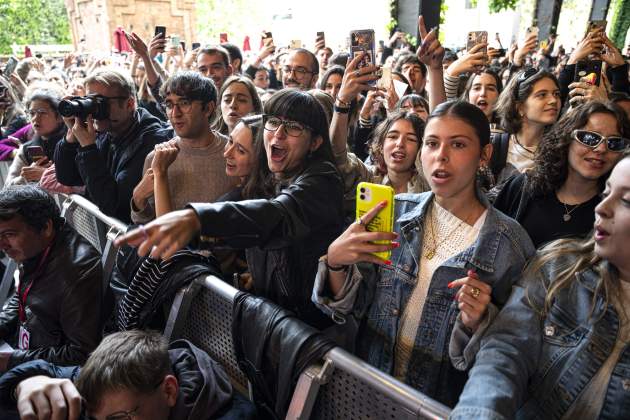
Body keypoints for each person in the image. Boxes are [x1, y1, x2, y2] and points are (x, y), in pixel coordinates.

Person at [312, 101, 535, 406]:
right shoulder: (394, 211)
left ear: (484, 154)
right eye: (431, 143)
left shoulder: (510, 244)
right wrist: (336, 263)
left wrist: (480, 321)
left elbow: (510, 357)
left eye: (457, 144)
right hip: (370, 388)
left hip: (439, 403)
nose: (440, 156)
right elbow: (351, 307)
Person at [116, 89, 344, 329]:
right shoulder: (273, 177)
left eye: (294, 127)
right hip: (275, 321)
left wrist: (197, 220)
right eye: (273, 122)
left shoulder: (322, 180)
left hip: (309, 333)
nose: (278, 134)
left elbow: (277, 214)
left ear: (316, 142)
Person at [451, 154, 630, 419]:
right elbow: (506, 351)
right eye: (606, 193)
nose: (602, 207)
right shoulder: (557, 268)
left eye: (626, 200)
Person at [1, 330, 240, 420]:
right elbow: (51, 372)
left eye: (119, 419)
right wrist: (22, 386)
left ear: (169, 390)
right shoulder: (111, 389)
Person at [493, 101, 629, 248]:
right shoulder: (522, 187)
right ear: (566, 139)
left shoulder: (616, 212)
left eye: (614, 143)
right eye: (590, 138)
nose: (601, 149)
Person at [0, 186, 103, 372]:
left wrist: (12, 360)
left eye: (9, 235)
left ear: (46, 227)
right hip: (31, 350)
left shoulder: (77, 273)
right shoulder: (37, 247)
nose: (2, 245)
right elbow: (25, 295)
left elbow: (81, 354)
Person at [54, 68, 172, 223]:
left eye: (100, 103)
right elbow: (67, 177)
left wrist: (88, 149)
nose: (94, 110)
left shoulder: (152, 140)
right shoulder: (106, 131)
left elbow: (114, 206)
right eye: (90, 101)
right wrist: (71, 138)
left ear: (129, 104)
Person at [131, 71, 237, 224]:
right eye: (169, 104)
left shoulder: (232, 153)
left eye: (184, 103)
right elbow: (149, 227)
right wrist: (138, 199)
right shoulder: (157, 157)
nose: (175, 113)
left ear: (208, 108)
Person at [492, 68, 561, 184]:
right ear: (520, 107)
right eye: (542, 95)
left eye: (556, 94)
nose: (553, 100)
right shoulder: (496, 146)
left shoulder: (560, 151)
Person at [5, 85, 66, 186]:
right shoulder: (27, 149)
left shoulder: (73, 145)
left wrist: (47, 176)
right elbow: (7, 187)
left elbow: (83, 186)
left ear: (59, 117)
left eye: (42, 113)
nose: (35, 119)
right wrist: (25, 177)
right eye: (32, 113)